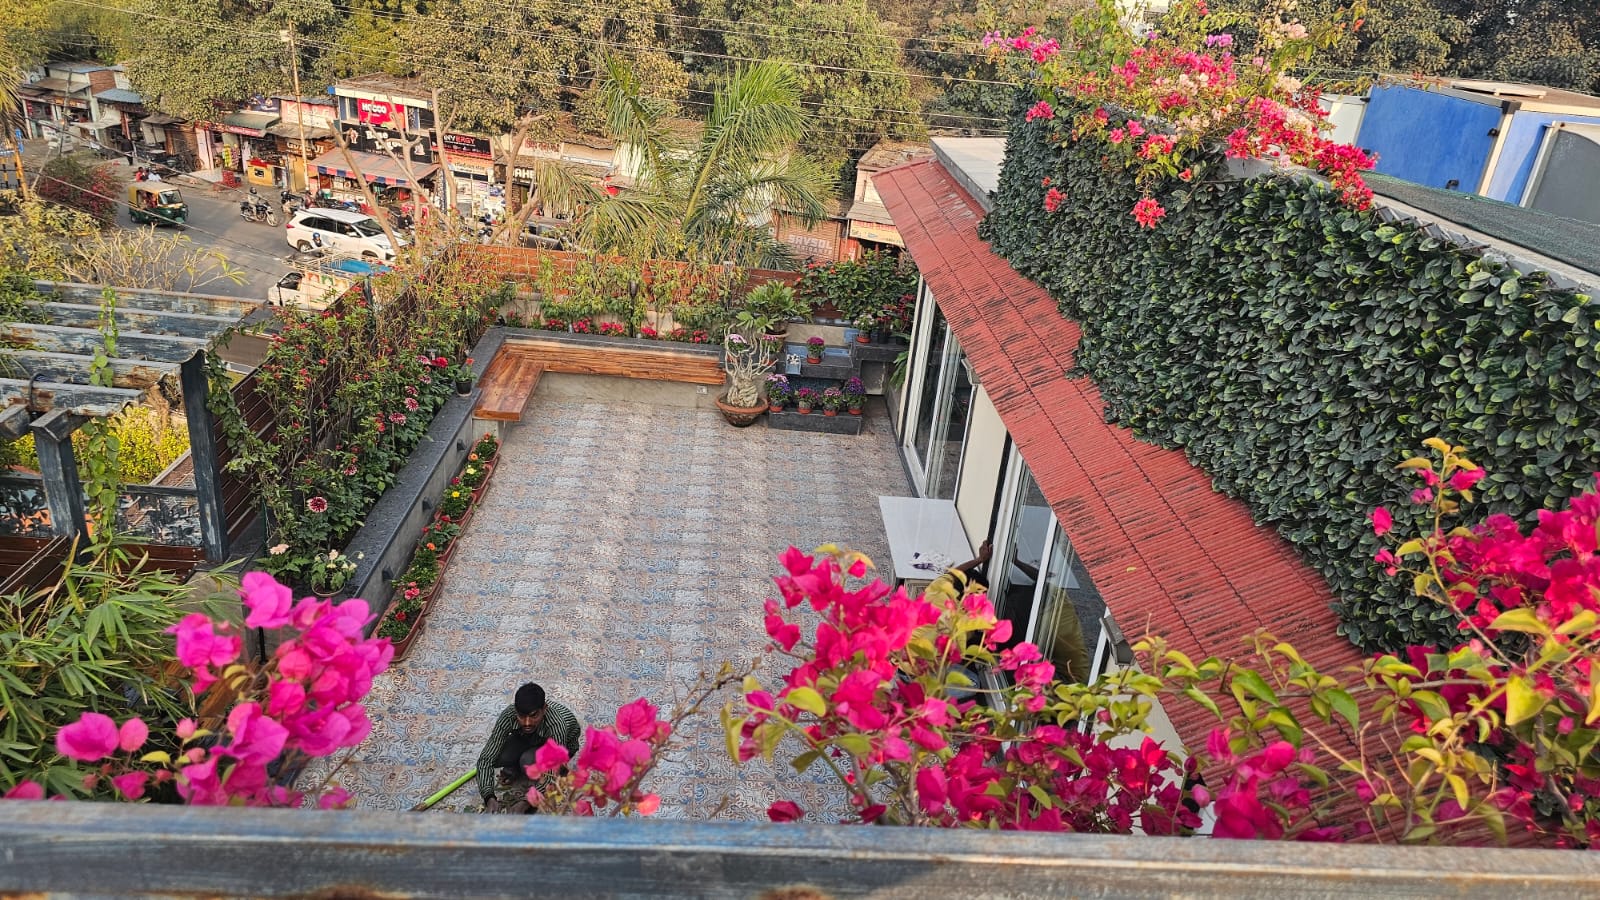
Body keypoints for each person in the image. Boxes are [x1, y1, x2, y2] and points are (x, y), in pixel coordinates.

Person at [475, 682, 581, 813]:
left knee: (527, 762)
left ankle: (524, 765)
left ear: (544, 709)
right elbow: (486, 758)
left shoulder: (557, 725)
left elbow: (551, 774)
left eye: (534, 715)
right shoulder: (509, 715)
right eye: (521, 716)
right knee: (499, 756)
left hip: (560, 747)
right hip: (529, 737)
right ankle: (516, 766)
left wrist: (526, 803)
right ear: (516, 711)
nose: (527, 723)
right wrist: (489, 797)